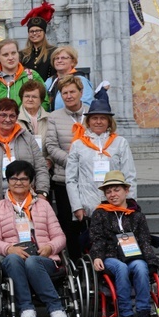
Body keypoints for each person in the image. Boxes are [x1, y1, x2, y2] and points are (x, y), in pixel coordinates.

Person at [0, 160, 70, 317]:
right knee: (13, 259)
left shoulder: (44, 206)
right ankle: (26, 309)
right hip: (12, 259)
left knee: (32, 261)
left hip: (42, 258)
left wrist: (50, 247)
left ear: (31, 182)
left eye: (24, 179)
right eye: (14, 178)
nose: (19, 182)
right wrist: (8, 248)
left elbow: (60, 236)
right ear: (8, 181)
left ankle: (56, 310)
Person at [89, 170, 159, 317]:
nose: (112, 194)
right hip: (110, 256)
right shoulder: (100, 213)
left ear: (126, 191)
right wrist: (97, 257)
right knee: (121, 268)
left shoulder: (137, 215)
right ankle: (126, 314)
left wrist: (151, 261)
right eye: (108, 191)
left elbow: (144, 240)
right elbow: (97, 238)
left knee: (141, 267)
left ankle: (143, 313)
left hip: (133, 254)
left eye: (116, 190)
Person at [66, 89, 137, 223]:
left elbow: (129, 176)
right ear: (88, 121)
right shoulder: (78, 145)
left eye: (103, 118)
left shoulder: (120, 143)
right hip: (88, 206)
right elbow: (71, 179)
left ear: (109, 121)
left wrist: (130, 203)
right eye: (94, 118)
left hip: (116, 205)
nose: (98, 122)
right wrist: (77, 206)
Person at [0, 99, 50, 226]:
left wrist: (42, 192)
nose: (7, 119)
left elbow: (41, 167)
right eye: (3, 115)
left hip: (27, 201)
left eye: (12, 115)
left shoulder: (28, 139)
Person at [44, 75, 89, 260]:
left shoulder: (92, 114)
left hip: (89, 180)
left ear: (81, 93)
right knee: (67, 224)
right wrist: (73, 161)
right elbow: (51, 147)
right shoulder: (54, 117)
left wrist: (84, 162)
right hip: (63, 179)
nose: (69, 96)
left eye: (72, 92)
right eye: (65, 93)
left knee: (88, 222)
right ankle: (75, 261)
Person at [0, 39, 48, 109]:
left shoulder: (32, 76)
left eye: (13, 53)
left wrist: (32, 117)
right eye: (5, 55)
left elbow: (44, 101)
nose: (11, 58)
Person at [44, 46, 94, 111]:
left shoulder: (80, 80)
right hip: (52, 119)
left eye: (63, 58)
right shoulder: (50, 81)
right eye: (56, 58)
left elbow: (87, 105)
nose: (59, 61)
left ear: (73, 62)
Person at [19, 0, 57, 81]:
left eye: (38, 31)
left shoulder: (54, 51)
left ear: (44, 32)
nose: (35, 34)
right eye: (31, 31)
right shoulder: (22, 54)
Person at [17, 80, 50, 149]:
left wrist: (49, 159)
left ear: (41, 100)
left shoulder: (50, 119)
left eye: (34, 97)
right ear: (21, 98)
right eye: (27, 96)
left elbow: (55, 144)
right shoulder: (14, 119)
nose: (30, 99)